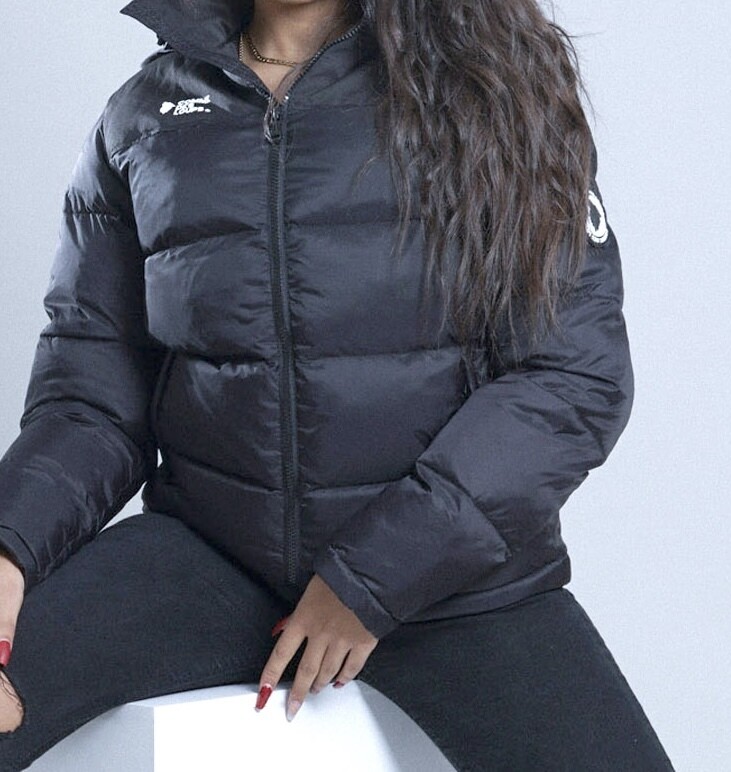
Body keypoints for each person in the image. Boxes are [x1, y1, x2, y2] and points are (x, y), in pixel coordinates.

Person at [0, 0, 675, 769]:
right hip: (210, 555)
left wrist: (368, 581)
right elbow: (92, 395)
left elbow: (571, 376)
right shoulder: (143, 119)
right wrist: (10, 546)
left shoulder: (488, 89)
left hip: (451, 584)